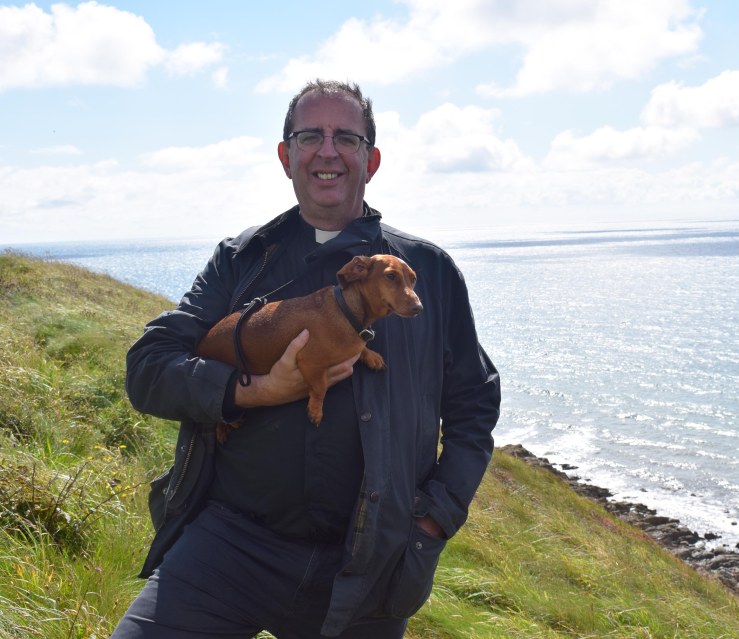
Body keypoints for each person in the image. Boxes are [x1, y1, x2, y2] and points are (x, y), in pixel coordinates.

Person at [112, 80, 501, 638]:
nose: (327, 150)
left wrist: (435, 518)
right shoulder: (240, 260)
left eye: (346, 137)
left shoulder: (427, 272)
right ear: (285, 156)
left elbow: (475, 403)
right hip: (228, 547)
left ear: (371, 159)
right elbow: (149, 368)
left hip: (369, 566)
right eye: (309, 136)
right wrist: (254, 390)